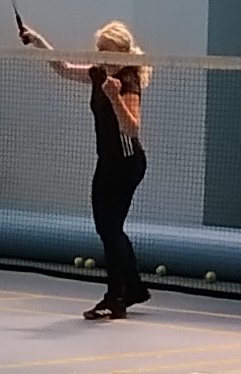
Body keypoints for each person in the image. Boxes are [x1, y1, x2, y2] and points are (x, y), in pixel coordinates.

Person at [20, 16, 148, 319]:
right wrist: (38, 41)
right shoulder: (98, 73)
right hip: (108, 162)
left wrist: (115, 98)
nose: (100, 55)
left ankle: (116, 298)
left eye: (106, 50)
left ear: (121, 53)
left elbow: (131, 128)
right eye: (99, 49)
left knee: (110, 229)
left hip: (127, 163)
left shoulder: (127, 80)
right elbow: (63, 68)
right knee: (108, 228)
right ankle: (133, 288)